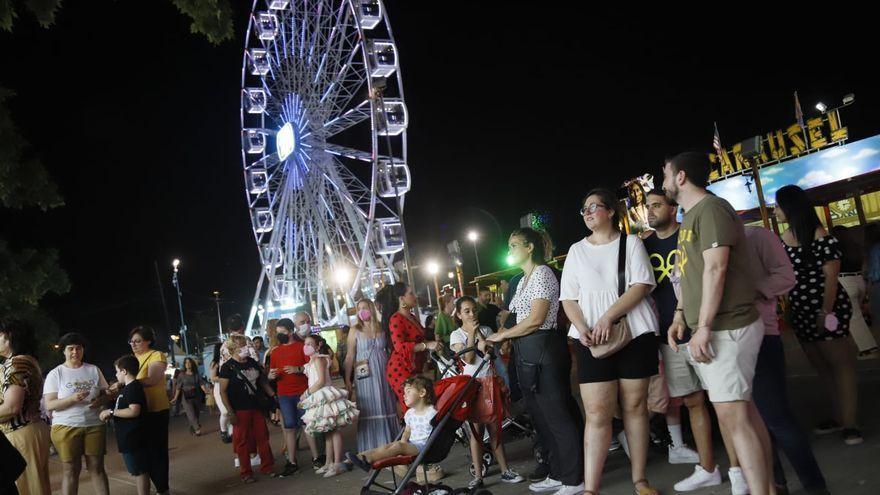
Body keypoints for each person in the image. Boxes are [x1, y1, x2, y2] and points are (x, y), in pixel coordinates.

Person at [663, 151, 773, 495]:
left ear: (681, 177)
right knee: (744, 415)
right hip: (714, 327)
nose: (661, 181)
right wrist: (682, 315)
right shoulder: (691, 214)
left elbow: (716, 268)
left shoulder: (711, 209)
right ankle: (765, 488)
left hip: (728, 326)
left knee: (734, 419)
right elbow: (690, 274)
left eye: (665, 174)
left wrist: (705, 326)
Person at [559, 189, 660, 495]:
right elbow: (568, 298)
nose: (588, 213)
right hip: (590, 340)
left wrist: (607, 318)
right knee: (597, 413)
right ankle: (591, 488)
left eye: (594, 207)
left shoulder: (631, 243)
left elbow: (641, 284)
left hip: (633, 332)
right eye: (584, 209)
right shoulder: (576, 250)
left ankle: (640, 480)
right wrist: (582, 325)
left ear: (611, 211)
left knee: (635, 406)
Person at [485, 227, 583, 495]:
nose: (509, 250)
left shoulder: (543, 274)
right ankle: (557, 471)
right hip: (527, 352)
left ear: (530, 247)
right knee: (540, 417)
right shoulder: (524, 278)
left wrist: (502, 335)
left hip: (544, 350)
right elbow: (518, 317)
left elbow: (537, 318)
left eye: (514, 245)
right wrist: (506, 336)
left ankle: (575, 478)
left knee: (557, 416)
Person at [642, 190, 720, 491]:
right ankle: (708, 466)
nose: (650, 211)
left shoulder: (689, 235)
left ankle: (740, 466)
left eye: (657, 205)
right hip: (667, 335)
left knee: (725, 400)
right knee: (692, 400)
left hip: (702, 327)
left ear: (674, 208)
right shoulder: (644, 245)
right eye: (647, 207)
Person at [745, 225, 831, 495]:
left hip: (761, 333)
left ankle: (815, 486)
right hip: (724, 342)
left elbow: (785, 275)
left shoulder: (755, 236)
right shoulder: (698, 243)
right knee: (750, 422)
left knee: (776, 417)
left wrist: (752, 291)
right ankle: (775, 484)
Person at [774, 184, 862, 445]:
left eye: (778, 205)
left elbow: (831, 278)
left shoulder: (820, 234)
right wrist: (789, 309)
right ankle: (838, 416)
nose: (775, 210)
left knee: (841, 363)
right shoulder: (784, 237)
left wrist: (825, 311)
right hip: (800, 311)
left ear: (790, 207)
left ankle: (850, 423)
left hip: (828, 307)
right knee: (822, 366)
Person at [450, 296, 523, 489]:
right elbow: (469, 357)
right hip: (471, 387)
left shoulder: (487, 330)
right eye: (466, 311)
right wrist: (472, 332)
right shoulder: (456, 336)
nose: (472, 314)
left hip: (489, 383)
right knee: (476, 432)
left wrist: (479, 333)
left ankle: (505, 470)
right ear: (459, 314)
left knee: (495, 429)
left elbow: (489, 352)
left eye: (474, 310)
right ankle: (479, 476)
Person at [43, 332, 110, 495]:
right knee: (71, 470)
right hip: (66, 426)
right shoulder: (56, 373)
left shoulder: (93, 370)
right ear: (64, 351)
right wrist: (72, 399)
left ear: (83, 350)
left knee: (97, 468)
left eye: (78, 348)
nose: (75, 352)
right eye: (70, 349)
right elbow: (50, 404)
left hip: (94, 424)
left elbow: (105, 394)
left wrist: (100, 400)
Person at [343, 299, 401, 452]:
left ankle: (390, 444)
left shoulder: (382, 327)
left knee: (386, 402)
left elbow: (390, 351)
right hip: (364, 375)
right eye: (359, 308)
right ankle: (372, 447)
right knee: (370, 406)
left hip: (383, 372)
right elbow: (350, 356)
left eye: (365, 307)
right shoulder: (354, 330)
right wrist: (347, 379)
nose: (362, 311)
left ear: (372, 309)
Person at [0, 320, 51, 495]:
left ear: (10, 338)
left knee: (27, 489)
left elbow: (11, 407)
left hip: (20, 432)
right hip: (30, 430)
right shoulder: (25, 361)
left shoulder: (17, 364)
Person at [219, 334, 277, 483]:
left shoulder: (251, 362)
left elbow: (262, 381)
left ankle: (267, 467)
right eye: (242, 346)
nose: (246, 348)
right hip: (239, 409)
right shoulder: (227, 367)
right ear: (233, 349)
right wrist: (230, 412)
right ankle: (246, 472)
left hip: (256, 407)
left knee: (263, 437)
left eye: (246, 344)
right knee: (242, 442)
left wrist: (273, 397)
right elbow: (223, 391)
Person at [345, 375, 436, 471]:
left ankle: (368, 459)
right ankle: (360, 457)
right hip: (412, 445)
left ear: (422, 393)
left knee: (398, 446)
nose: (404, 396)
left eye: (408, 392)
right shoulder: (410, 413)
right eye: (404, 393)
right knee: (388, 445)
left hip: (424, 447)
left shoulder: (432, 413)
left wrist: (402, 446)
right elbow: (407, 431)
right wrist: (403, 441)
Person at [377, 282, 443, 413]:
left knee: (421, 407)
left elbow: (419, 339)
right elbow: (400, 347)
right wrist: (426, 345)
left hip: (413, 369)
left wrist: (433, 345)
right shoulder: (396, 319)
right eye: (411, 293)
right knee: (413, 409)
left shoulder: (412, 317)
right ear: (402, 299)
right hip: (400, 369)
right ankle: (410, 433)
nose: (415, 296)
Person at [299, 334, 358, 477]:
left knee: (334, 430)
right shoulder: (312, 361)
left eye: (309, 344)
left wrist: (306, 394)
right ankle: (328, 462)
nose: (306, 346)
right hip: (318, 396)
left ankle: (337, 463)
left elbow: (320, 381)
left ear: (318, 345)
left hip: (325, 395)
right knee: (328, 431)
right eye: (305, 344)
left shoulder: (320, 360)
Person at [124, 326, 171, 495]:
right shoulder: (130, 359)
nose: (134, 344)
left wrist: (128, 382)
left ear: (148, 341)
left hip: (156, 409)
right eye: (131, 341)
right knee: (143, 453)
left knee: (157, 451)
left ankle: (162, 488)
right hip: (138, 411)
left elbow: (152, 379)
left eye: (138, 341)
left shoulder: (156, 355)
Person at [269, 317, 317, 476]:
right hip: (284, 394)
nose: (280, 335)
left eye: (282, 332)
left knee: (307, 424)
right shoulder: (275, 352)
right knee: (288, 427)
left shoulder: (301, 347)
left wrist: (298, 369)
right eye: (278, 333)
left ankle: (316, 457)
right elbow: (272, 373)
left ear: (290, 331)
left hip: (302, 392)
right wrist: (271, 375)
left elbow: (311, 367)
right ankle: (292, 461)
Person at [100, 355, 150, 495]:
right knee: (138, 470)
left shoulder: (133, 388)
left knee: (139, 471)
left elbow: (134, 411)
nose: (116, 375)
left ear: (124, 371)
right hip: (129, 437)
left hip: (133, 437)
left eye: (117, 371)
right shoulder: (128, 388)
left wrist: (111, 412)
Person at [830, 225, 878, 355]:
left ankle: (866, 347)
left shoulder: (835, 249)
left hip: (845, 282)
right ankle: (867, 345)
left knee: (853, 317)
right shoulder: (855, 247)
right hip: (858, 280)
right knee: (857, 316)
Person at [170, 357, 207, 436]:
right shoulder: (181, 375)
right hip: (186, 397)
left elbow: (201, 384)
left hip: (196, 396)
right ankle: (197, 429)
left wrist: (206, 391)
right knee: (191, 413)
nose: (188, 364)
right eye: (186, 363)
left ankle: (192, 426)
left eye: (189, 362)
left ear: (192, 364)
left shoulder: (196, 374)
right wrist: (175, 398)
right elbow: (178, 387)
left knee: (196, 414)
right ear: (184, 365)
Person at [209, 342, 231, 443]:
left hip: (230, 387)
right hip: (219, 388)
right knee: (225, 411)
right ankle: (223, 431)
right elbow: (212, 378)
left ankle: (232, 432)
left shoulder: (228, 360)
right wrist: (224, 377)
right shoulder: (215, 363)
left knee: (231, 411)